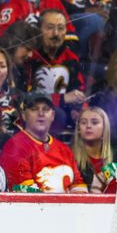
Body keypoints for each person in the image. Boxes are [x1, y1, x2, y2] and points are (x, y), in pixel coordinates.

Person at [0, 92, 87, 192]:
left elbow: (78, 186)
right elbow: (26, 197)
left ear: (52, 115)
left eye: (46, 109)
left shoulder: (64, 149)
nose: (41, 113)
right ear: (23, 115)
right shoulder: (15, 147)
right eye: (34, 109)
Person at [24, 9, 87, 140]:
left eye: (61, 28)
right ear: (39, 30)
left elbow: (79, 90)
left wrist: (79, 109)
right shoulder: (30, 58)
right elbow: (24, 96)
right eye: (50, 28)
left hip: (64, 114)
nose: (56, 33)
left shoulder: (71, 58)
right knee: (58, 115)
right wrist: (61, 99)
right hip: (34, 114)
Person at [72, 106, 113, 191]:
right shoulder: (70, 157)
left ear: (104, 128)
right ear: (79, 129)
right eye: (83, 122)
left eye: (94, 122)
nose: (88, 126)